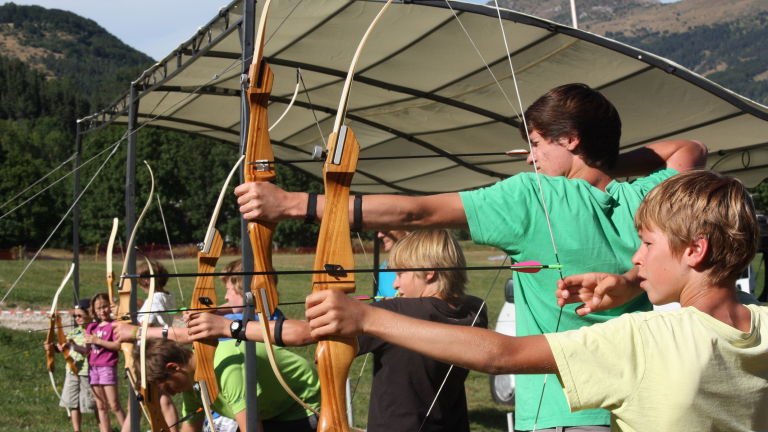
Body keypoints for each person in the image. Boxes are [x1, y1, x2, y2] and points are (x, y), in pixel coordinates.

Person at [234, 83, 708, 431]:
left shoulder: (536, 196)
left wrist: (294, 204)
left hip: (561, 414)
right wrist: (603, 167)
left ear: (571, 139)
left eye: (538, 144)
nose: (530, 158)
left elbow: (417, 211)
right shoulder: (651, 198)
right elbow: (690, 148)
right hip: (639, 411)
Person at [305, 170, 768, 432]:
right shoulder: (763, 326)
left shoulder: (643, 338)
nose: (636, 256)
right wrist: (630, 284)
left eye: (647, 244)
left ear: (696, 250)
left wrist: (366, 316)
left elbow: (500, 355)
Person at [187, 229, 487, 432]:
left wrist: (228, 326)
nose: (395, 284)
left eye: (400, 273)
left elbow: (305, 333)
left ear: (430, 271)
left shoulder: (398, 313)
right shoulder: (475, 310)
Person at [134, 336, 321, 432]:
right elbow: (191, 427)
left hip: (304, 407)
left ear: (174, 367)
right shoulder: (191, 385)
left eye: (167, 388)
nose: (172, 394)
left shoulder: (226, 367)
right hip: (273, 414)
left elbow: (251, 428)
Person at [117, 259, 179, 432]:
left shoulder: (154, 300)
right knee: (161, 396)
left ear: (145, 281)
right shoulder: (167, 295)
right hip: (159, 349)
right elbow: (153, 308)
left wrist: (128, 327)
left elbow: (145, 327)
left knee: (139, 399)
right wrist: (133, 303)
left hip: (148, 352)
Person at [44, 299, 100, 432]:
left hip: (88, 372)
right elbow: (63, 346)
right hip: (72, 371)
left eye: (80, 315)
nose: (77, 318)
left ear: (91, 315)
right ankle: (77, 430)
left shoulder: (95, 331)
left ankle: (103, 429)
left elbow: (88, 350)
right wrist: (52, 347)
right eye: (75, 316)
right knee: (74, 403)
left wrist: (72, 346)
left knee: (94, 404)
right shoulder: (75, 332)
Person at [83, 292, 127, 432]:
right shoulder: (92, 327)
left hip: (107, 367)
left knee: (114, 405)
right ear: (94, 310)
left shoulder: (114, 325)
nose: (102, 311)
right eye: (99, 308)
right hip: (93, 369)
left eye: (105, 306)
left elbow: (118, 346)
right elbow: (86, 350)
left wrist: (98, 341)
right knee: (101, 405)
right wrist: (69, 346)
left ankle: (129, 428)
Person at [375, 230, 409, 298]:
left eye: (385, 227)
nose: (379, 235)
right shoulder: (384, 267)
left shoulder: (427, 263)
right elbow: (379, 302)